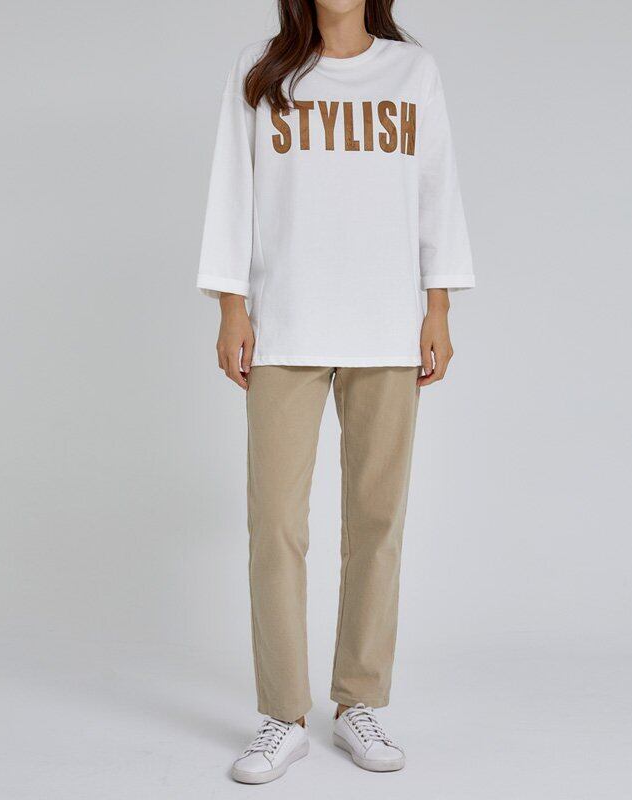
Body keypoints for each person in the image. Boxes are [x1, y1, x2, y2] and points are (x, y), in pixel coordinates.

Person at [197, 0, 474, 784]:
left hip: (387, 326)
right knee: (276, 525)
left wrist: (438, 308)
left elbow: (436, 190)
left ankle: (359, 699)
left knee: (377, 521)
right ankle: (281, 715)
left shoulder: (412, 72)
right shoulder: (263, 69)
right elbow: (233, 189)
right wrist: (231, 308)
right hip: (285, 326)